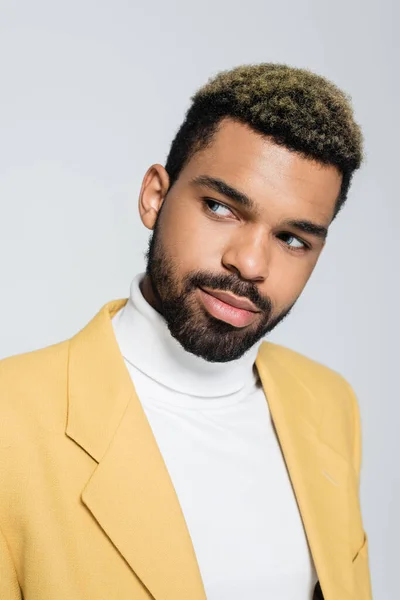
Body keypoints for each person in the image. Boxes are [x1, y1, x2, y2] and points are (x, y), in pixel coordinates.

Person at [0, 63, 372, 600]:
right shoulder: (12, 420)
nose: (249, 263)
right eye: (221, 207)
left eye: (293, 239)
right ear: (155, 196)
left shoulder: (330, 404)